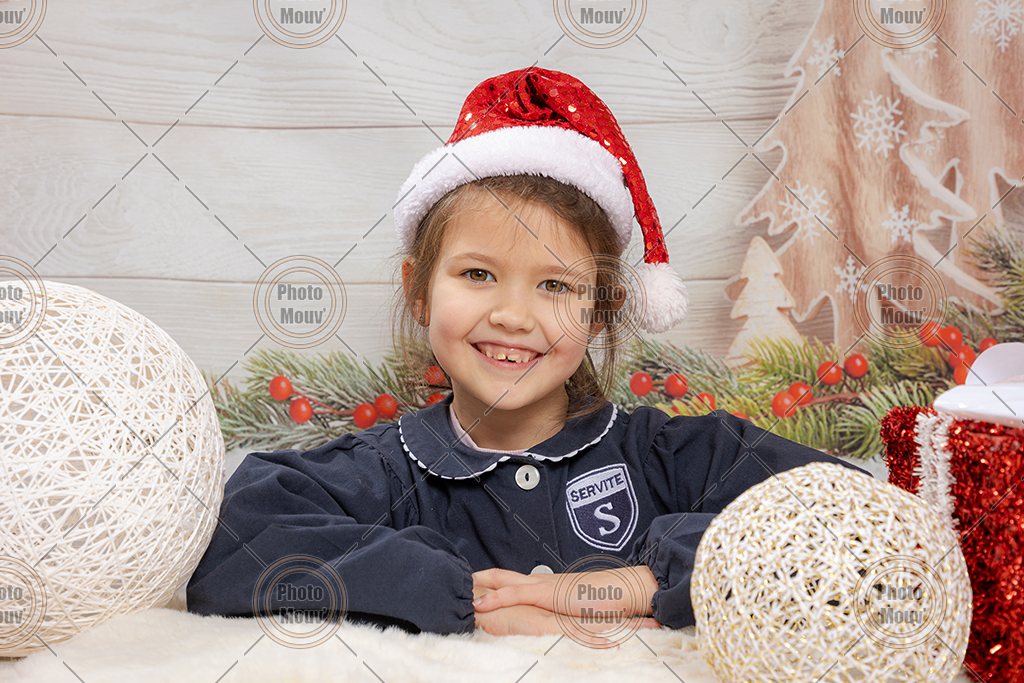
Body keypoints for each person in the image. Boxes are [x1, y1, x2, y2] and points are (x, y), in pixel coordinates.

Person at [187, 67, 869, 644]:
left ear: (600, 311)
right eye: (477, 274)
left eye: (555, 285)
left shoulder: (676, 456)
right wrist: (456, 590)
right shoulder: (384, 471)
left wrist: (643, 580)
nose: (513, 315)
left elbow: (862, 521)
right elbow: (231, 541)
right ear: (419, 290)